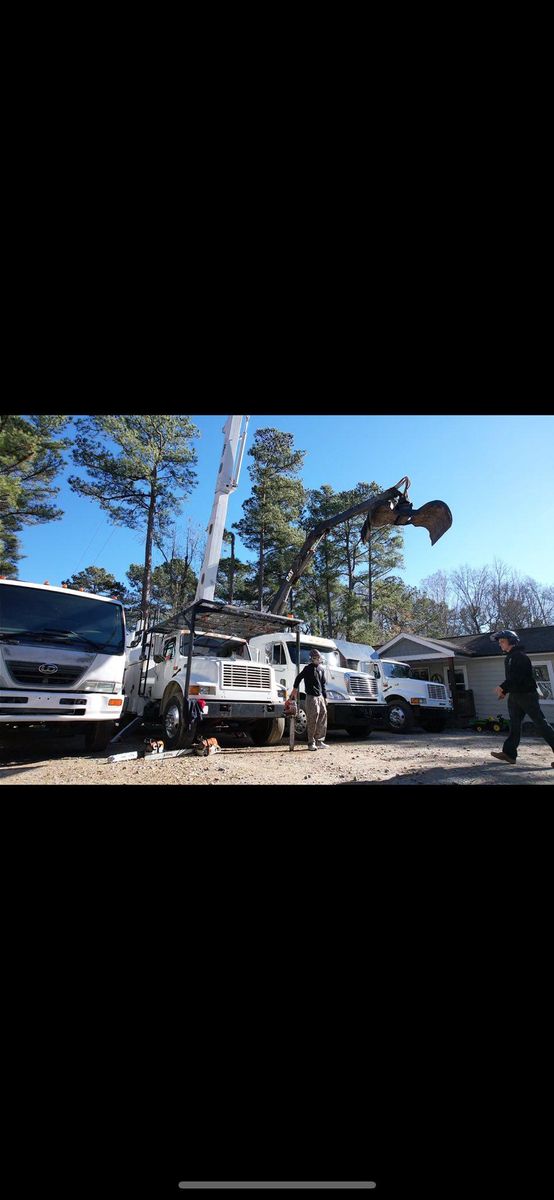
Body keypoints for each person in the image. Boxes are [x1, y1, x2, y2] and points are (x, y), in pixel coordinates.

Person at [489, 630, 554, 766]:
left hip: (527, 695)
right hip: (515, 696)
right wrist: (505, 691)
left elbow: (518, 677)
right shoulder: (510, 657)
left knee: (540, 724)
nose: (500, 644)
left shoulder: (520, 656)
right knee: (514, 725)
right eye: (499, 642)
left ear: (511, 641)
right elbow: (512, 679)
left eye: (502, 641)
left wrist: (503, 687)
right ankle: (509, 754)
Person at [290, 648, 328, 750]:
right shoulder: (307, 669)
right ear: (312, 658)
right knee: (312, 719)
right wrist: (294, 689)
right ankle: (311, 743)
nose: (317, 659)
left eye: (318, 657)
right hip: (311, 697)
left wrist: (325, 697)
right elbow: (298, 678)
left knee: (323, 717)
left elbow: (323, 684)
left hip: (320, 697)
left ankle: (319, 740)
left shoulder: (321, 669)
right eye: (315, 657)